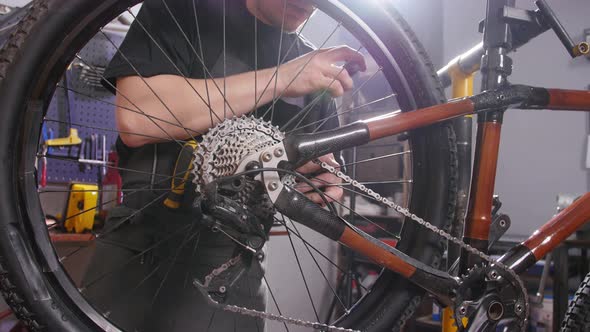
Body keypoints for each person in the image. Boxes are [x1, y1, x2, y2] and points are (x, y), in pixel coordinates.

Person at [83, 0, 366, 331]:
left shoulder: (316, 67)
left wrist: (323, 181)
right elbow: (136, 118)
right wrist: (283, 78)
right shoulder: (182, 9)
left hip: (231, 266)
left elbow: (317, 168)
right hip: (136, 245)